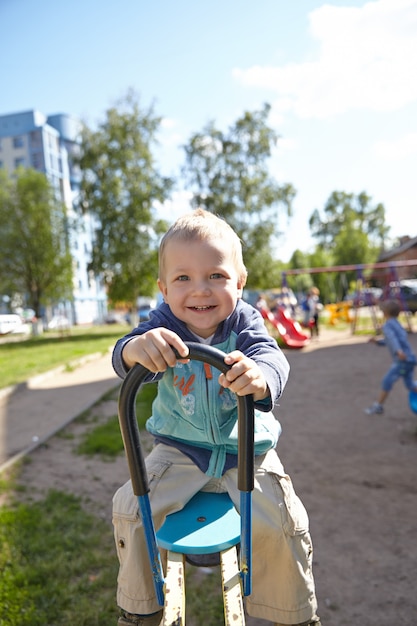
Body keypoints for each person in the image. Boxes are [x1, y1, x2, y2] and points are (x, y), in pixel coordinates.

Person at [112, 209, 321, 626]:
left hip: (246, 452)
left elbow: (272, 356)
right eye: (183, 278)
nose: (200, 290)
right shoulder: (164, 325)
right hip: (179, 451)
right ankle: (140, 608)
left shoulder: (244, 321)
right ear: (164, 288)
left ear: (239, 282)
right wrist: (138, 348)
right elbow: (124, 350)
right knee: (130, 509)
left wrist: (261, 377)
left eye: (217, 276)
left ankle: (293, 613)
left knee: (284, 519)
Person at [364, 299, 417, 415]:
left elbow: (393, 339)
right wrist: (378, 342)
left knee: (386, 381)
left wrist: (398, 351)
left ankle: (378, 406)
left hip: (402, 360)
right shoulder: (397, 323)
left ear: (385, 313)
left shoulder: (387, 325)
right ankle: (378, 406)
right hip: (410, 358)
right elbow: (391, 340)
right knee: (410, 385)